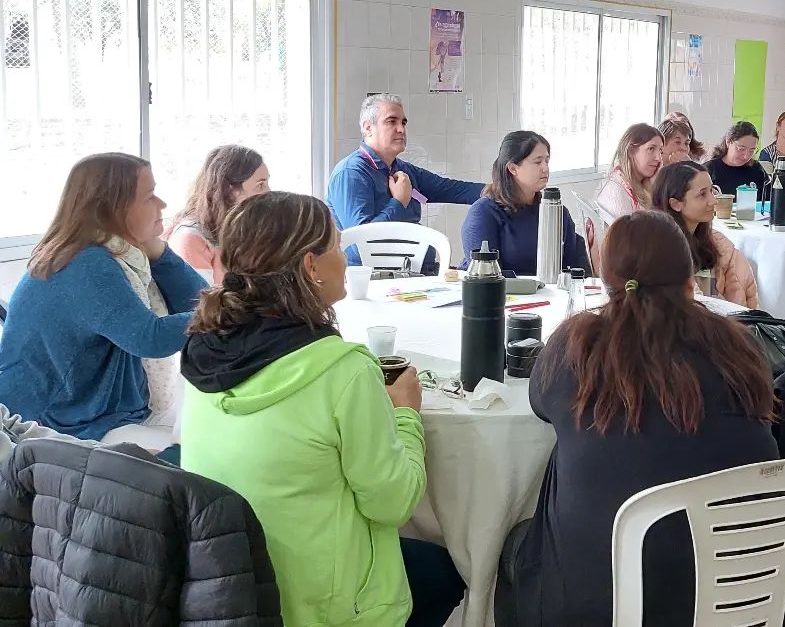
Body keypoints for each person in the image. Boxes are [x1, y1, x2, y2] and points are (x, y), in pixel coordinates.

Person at [180, 191, 466, 627]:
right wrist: (405, 413)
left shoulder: (203, 354)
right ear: (311, 266)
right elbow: (394, 504)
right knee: (450, 571)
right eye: (336, 246)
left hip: (231, 590)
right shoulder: (342, 372)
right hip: (327, 605)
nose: (346, 259)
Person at [494, 211, 778, 627]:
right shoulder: (740, 350)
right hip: (736, 593)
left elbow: (540, 402)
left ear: (605, 282)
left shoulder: (576, 350)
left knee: (517, 543)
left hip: (598, 604)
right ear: (690, 283)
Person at [0, 154, 205, 450]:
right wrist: (225, 312)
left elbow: (198, 300)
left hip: (103, 409)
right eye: (149, 196)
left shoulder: (121, 253)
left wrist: (158, 252)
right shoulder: (85, 264)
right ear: (114, 208)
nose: (162, 204)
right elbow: (151, 338)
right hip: (59, 426)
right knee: (199, 454)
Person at [326, 93, 484, 269]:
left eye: (403, 122)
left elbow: (452, 189)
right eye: (391, 121)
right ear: (368, 128)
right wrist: (399, 203)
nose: (401, 129)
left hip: (418, 272)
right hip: (376, 279)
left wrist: (500, 190)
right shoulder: (351, 173)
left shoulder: (401, 168)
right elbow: (360, 246)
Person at [461, 131, 590, 276]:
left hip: (546, 289)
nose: (545, 168)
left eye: (547, 161)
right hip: (499, 289)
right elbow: (484, 275)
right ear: (513, 168)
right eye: (537, 162)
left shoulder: (557, 212)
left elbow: (575, 267)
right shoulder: (484, 212)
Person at [652, 163, 759, 308]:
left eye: (711, 190)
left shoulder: (719, 244)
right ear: (676, 204)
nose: (714, 200)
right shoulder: (662, 251)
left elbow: (747, 298)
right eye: (702, 194)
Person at [165, 145, 269, 282]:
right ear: (229, 190)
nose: (268, 192)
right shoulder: (190, 238)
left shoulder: (243, 230)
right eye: (260, 185)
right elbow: (198, 295)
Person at [595, 123, 664, 218]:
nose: (658, 158)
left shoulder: (632, 183)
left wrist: (655, 185)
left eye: (660, 151)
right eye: (651, 149)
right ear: (631, 151)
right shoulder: (617, 193)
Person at [705, 121, 769, 198]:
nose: (746, 156)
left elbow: (768, 199)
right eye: (741, 149)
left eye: (752, 150)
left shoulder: (757, 169)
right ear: (728, 142)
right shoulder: (709, 170)